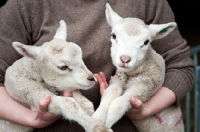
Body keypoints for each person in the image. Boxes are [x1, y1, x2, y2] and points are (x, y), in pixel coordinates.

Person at [0, 0, 194, 132]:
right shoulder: (26, 5)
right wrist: (33, 118)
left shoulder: (146, 2)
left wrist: (143, 109)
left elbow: (180, 65)